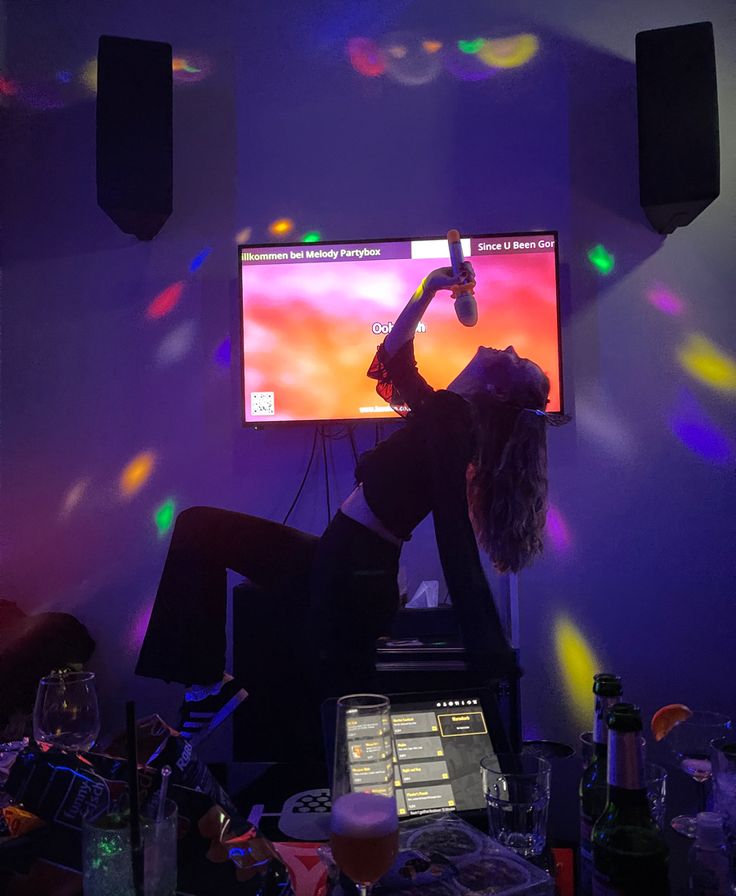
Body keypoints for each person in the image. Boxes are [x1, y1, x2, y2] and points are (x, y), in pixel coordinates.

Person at [134, 261, 555, 750]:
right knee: (197, 528)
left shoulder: (453, 423)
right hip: (338, 559)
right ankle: (208, 686)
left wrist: (487, 642)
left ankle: (364, 814)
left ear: (499, 388)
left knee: (347, 724)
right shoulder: (447, 415)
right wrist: (425, 291)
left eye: (515, 357)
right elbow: (394, 362)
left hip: (357, 577)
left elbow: (453, 535)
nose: (507, 347)